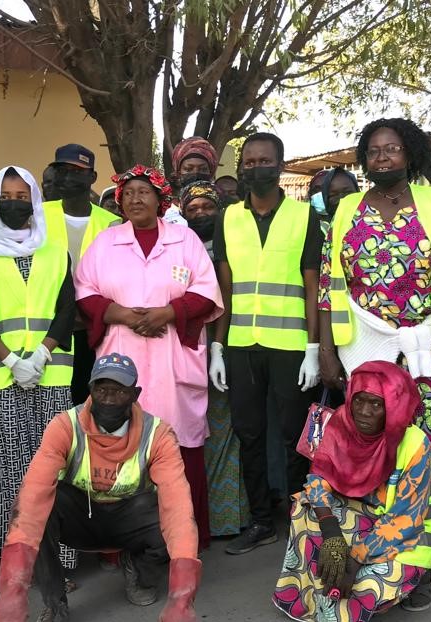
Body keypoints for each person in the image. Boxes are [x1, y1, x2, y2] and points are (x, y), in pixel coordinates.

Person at [318, 118, 431, 607]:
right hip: (364, 348)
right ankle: (393, 556)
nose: (382, 157)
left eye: (391, 149)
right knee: (376, 449)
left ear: (409, 154)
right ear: (364, 160)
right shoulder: (346, 209)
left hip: (428, 348)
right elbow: (329, 284)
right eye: (373, 151)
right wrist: (325, 349)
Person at [0, 353, 202, 622]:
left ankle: (136, 567)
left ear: (135, 395)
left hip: (130, 519)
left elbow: (178, 511)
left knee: (171, 515)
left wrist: (181, 600)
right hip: (80, 519)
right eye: (102, 390)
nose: (109, 399)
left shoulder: (158, 434)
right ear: (90, 390)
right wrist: (11, 590)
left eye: (119, 391)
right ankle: (54, 605)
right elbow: (31, 501)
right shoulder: (64, 426)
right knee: (39, 507)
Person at [76, 166, 223, 550]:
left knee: (177, 445)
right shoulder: (105, 242)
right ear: (120, 202)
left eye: (144, 192)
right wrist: (123, 315)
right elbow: (84, 291)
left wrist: (168, 313)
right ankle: (122, 544)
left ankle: (184, 538)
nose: (135, 199)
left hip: (172, 358)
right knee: (120, 444)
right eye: (128, 193)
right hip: (122, 355)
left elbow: (207, 290)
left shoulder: (184, 239)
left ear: (161, 199)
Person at [272, 361, 431, 622]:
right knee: (306, 506)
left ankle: (422, 576)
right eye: (360, 401)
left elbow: (403, 521)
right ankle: (313, 590)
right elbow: (317, 479)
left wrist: (352, 563)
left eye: (377, 405)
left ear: (394, 406)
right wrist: (332, 535)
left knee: (365, 587)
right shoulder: (340, 423)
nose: (365, 412)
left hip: (414, 531)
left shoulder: (414, 443)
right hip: (365, 517)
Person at [210, 131, 322, 555]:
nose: (257, 167)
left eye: (265, 160)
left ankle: (300, 516)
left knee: (295, 435)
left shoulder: (303, 217)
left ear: (280, 164)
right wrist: (218, 347)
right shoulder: (228, 218)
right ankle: (260, 520)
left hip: (291, 345)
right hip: (240, 345)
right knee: (249, 433)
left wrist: (314, 348)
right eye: (250, 161)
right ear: (242, 168)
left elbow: (312, 285)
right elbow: (225, 285)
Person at [0, 165, 76, 567]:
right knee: (4, 470)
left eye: (21, 197)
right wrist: (11, 359)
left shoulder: (54, 248)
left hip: (51, 372)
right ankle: (5, 559)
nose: (13, 204)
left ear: (34, 201)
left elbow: (67, 309)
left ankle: (56, 560)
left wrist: (42, 354)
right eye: (5, 198)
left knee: (53, 469)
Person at [180, 180, 246, 536]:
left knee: (224, 428)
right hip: (188, 344)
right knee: (191, 431)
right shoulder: (176, 247)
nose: (202, 215)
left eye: (208, 207)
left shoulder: (232, 244)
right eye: (194, 209)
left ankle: (227, 517)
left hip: (228, 340)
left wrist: (219, 346)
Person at [41, 144, 121, 406]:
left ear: (92, 177)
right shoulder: (38, 216)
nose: (68, 177)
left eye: (76, 171)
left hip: (92, 329)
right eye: (62, 170)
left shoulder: (111, 223)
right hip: (48, 328)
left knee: (86, 401)